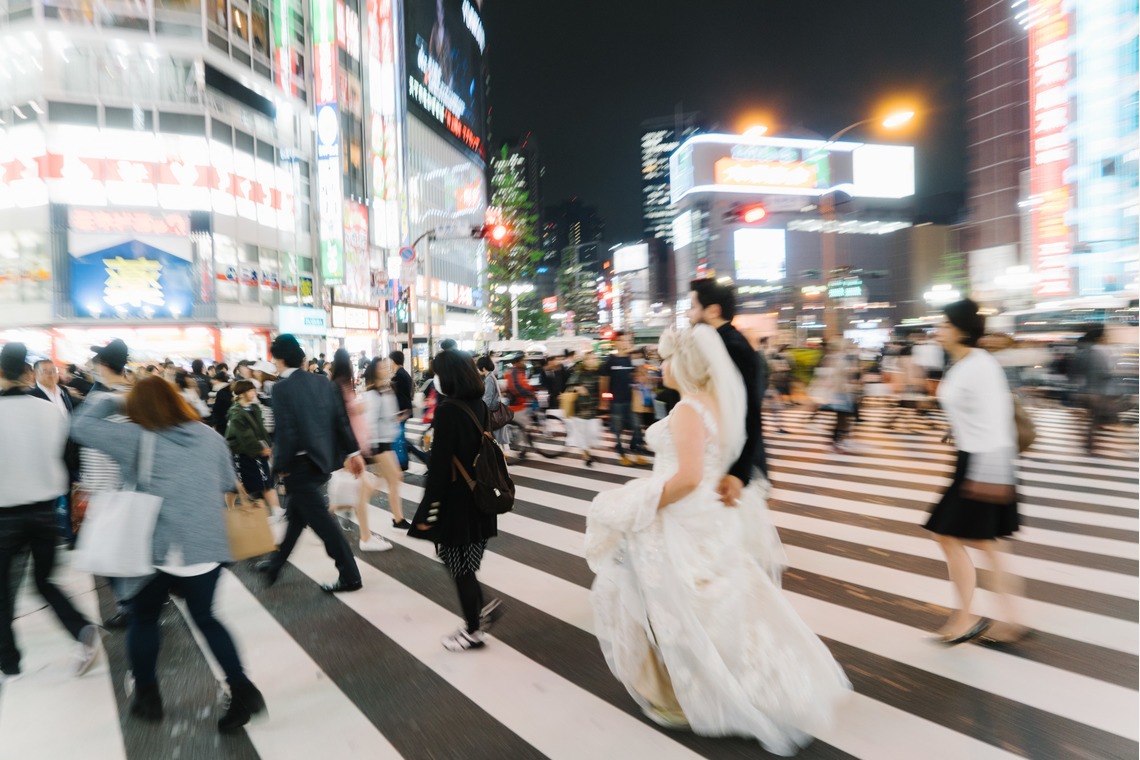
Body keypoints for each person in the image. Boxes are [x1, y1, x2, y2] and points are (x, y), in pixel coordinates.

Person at [586, 326, 850, 752]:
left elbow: (688, 477)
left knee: (673, 608)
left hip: (682, 516)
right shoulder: (718, 404)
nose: (660, 366)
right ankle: (702, 687)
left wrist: (641, 502)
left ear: (684, 364)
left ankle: (687, 695)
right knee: (712, 609)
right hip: (711, 515)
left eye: (665, 359)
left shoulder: (690, 409)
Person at [71, 376, 265, 730]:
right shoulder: (209, 435)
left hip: (154, 551)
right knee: (207, 618)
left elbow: (80, 425)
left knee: (144, 620)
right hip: (205, 546)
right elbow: (225, 482)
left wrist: (117, 399)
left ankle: (148, 697)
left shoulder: (136, 438)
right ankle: (242, 689)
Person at [0, 343, 103, 684]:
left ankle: (10, 664)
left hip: (6, 514)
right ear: (27, 374)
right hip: (46, 509)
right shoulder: (48, 410)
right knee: (45, 582)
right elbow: (64, 455)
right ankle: (82, 630)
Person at [925, 299, 1025, 646]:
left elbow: (997, 418)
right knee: (985, 544)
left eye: (943, 324)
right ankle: (1011, 619)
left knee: (946, 535)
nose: (938, 330)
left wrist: (992, 474)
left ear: (960, 329)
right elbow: (972, 409)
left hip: (985, 462)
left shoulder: (979, 365)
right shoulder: (964, 362)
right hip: (974, 458)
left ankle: (966, 618)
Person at [255, 335, 365, 593]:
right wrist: (353, 452)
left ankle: (350, 576)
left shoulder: (281, 388)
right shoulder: (322, 382)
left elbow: (287, 432)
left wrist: (279, 467)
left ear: (279, 358)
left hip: (298, 466)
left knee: (325, 526)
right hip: (322, 463)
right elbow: (340, 420)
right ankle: (275, 564)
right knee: (296, 517)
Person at [408, 350, 502, 651]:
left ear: (446, 376)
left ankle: (473, 631)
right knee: (464, 564)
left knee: (460, 568)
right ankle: (483, 606)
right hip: (480, 499)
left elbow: (439, 468)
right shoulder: (478, 405)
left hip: (457, 504)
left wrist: (424, 513)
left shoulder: (448, 410)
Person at [687, 278, 768, 504]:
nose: (688, 314)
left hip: (730, 469)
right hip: (720, 462)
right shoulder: (721, 341)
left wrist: (739, 473)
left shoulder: (732, 346)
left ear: (713, 311)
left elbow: (750, 411)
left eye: (693, 307)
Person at [79, 339, 134, 629]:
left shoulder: (101, 400)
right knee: (126, 551)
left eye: (95, 363)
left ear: (103, 365)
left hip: (109, 491)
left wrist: (90, 487)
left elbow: (92, 448)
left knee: (106, 557)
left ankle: (129, 605)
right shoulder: (135, 395)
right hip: (132, 489)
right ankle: (142, 597)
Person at [331, 349, 395, 551]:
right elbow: (341, 419)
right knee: (364, 488)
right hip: (349, 449)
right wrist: (351, 452)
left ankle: (338, 513)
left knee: (364, 489)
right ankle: (364, 537)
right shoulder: (340, 386)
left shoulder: (342, 385)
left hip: (352, 448)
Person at [361, 357, 409, 533]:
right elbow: (370, 420)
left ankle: (398, 518)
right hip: (379, 443)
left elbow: (386, 415)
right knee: (395, 477)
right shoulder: (373, 394)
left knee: (391, 479)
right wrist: (370, 445)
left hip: (386, 441)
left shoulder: (387, 389)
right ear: (375, 372)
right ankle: (358, 502)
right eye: (381, 367)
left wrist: (397, 418)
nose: (386, 368)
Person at [225, 380, 282, 516]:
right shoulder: (236, 412)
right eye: (251, 390)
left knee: (264, 481)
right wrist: (259, 449)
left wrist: (267, 446)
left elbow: (261, 431)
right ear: (242, 393)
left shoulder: (254, 408)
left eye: (254, 390)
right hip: (242, 452)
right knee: (238, 485)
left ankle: (277, 510)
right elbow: (244, 436)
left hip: (254, 450)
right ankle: (231, 510)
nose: (254, 393)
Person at [600, 332, 648, 466]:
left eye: (627, 340)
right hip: (616, 400)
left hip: (632, 399)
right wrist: (603, 399)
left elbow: (642, 375)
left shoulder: (632, 359)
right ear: (616, 343)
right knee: (617, 427)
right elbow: (604, 380)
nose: (625, 343)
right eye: (621, 340)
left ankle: (636, 450)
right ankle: (621, 452)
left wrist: (637, 358)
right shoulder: (610, 360)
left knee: (636, 425)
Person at [476, 355, 509, 447]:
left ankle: (499, 457)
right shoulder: (490, 377)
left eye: (478, 368)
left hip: (492, 411)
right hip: (494, 409)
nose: (477, 370)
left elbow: (487, 398)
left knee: (494, 438)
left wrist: (482, 411)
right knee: (495, 438)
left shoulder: (489, 379)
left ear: (483, 368)